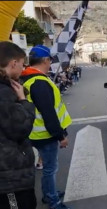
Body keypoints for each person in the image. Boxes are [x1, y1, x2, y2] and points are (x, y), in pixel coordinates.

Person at [20, 45, 72, 209]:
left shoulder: (27, 78)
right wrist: (61, 136)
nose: (51, 64)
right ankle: (52, 200)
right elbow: (49, 114)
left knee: (48, 169)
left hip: (33, 133)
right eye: (50, 60)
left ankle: (49, 193)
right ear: (45, 60)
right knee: (50, 169)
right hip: (45, 135)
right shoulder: (40, 83)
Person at [0, 41, 36, 209]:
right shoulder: (4, 93)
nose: (23, 68)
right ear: (13, 63)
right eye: (22, 64)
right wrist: (23, 100)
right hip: (9, 179)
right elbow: (20, 128)